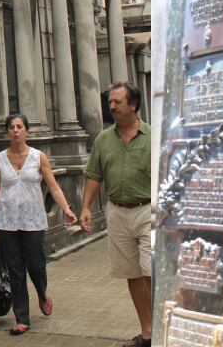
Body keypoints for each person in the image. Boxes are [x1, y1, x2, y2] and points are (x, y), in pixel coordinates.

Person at [0, 113, 78, 335]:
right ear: (7, 132)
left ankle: (42, 292)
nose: (16, 130)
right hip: (7, 221)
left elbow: (54, 187)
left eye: (20, 127)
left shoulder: (39, 157)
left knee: (36, 264)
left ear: (26, 130)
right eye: (12, 127)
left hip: (33, 220)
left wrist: (66, 208)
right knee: (15, 269)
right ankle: (22, 318)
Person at [80, 83, 153, 347]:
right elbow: (93, 176)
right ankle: (147, 333)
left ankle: (162, 328)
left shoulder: (152, 136)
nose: (111, 107)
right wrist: (86, 208)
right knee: (131, 273)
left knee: (151, 271)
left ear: (133, 105)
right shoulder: (103, 139)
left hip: (149, 211)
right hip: (118, 213)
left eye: (117, 102)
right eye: (110, 102)